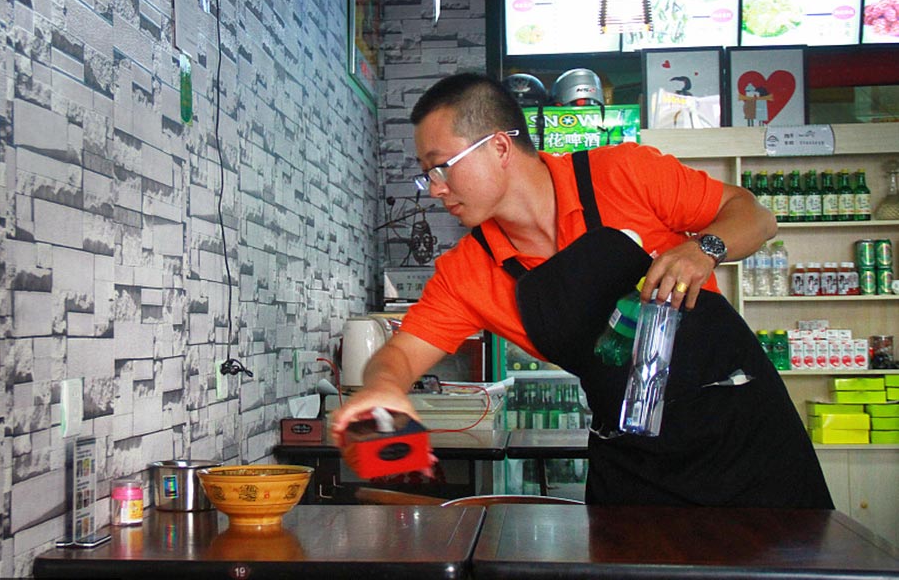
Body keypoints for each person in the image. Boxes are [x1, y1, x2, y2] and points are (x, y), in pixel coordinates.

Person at [331, 73, 833, 509]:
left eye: (442, 166)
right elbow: (399, 355)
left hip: (742, 436)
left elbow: (757, 217)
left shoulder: (622, 174)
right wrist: (383, 387)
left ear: (499, 147)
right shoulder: (470, 270)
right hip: (633, 465)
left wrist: (704, 249)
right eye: (428, 175)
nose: (435, 188)